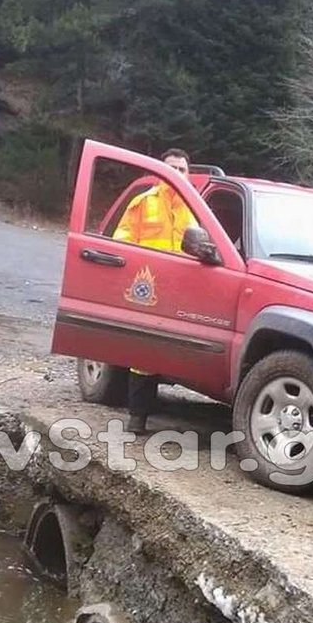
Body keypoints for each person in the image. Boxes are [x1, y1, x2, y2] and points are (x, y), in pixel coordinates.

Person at [114, 148, 197, 433]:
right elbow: (121, 240)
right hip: (148, 286)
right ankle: (138, 417)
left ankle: (163, 406)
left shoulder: (196, 206)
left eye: (181, 168)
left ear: (189, 172)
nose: (176, 173)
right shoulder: (143, 202)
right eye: (170, 167)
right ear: (158, 171)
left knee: (177, 350)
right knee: (144, 355)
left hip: (185, 288)